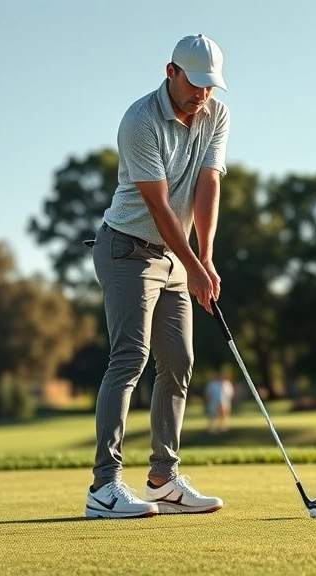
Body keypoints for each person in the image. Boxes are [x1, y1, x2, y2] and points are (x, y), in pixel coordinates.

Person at [83, 33, 231, 519]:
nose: (203, 95)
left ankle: (163, 479)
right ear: (172, 72)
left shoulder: (215, 115)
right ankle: (103, 487)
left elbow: (207, 186)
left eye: (211, 86)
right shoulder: (140, 121)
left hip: (176, 255)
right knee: (130, 357)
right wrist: (192, 265)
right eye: (196, 83)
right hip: (127, 249)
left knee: (181, 360)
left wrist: (203, 259)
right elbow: (159, 204)